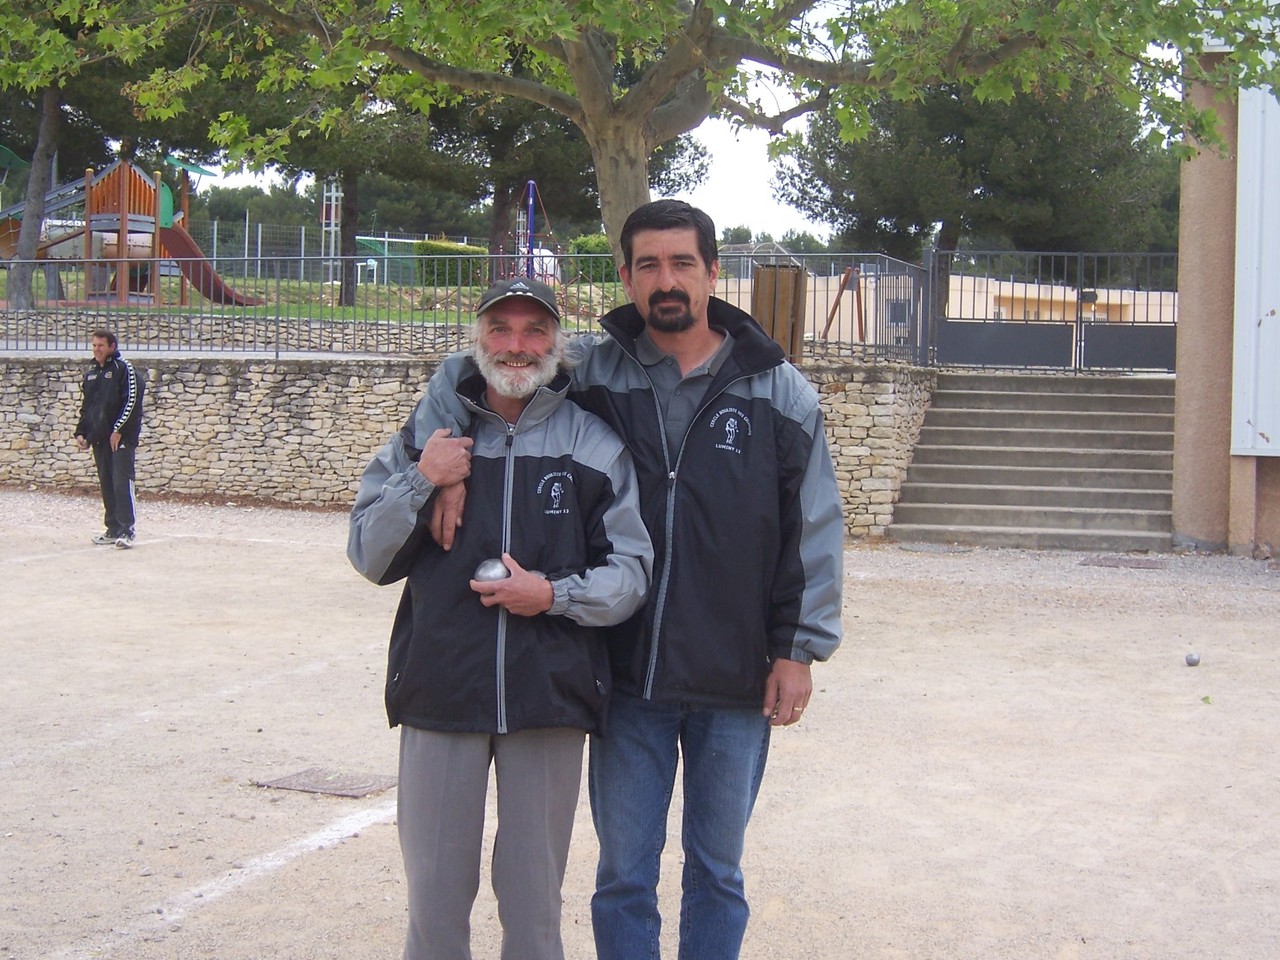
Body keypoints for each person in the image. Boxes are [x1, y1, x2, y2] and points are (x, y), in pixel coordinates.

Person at [419, 200, 845, 959]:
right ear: (626, 276)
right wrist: (443, 464)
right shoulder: (594, 371)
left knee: (718, 871)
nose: (666, 280)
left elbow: (813, 530)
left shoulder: (779, 392)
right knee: (623, 876)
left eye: (682, 263)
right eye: (648, 265)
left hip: (736, 674)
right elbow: (478, 371)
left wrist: (798, 649)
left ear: (713, 271)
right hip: (626, 674)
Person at [347, 277, 652, 960]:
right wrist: (425, 478)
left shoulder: (593, 446)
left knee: (535, 908)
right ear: (477, 338)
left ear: (557, 342)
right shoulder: (430, 438)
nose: (517, 345)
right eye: (501, 328)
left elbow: (631, 576)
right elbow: (368, 553)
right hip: (441, 691)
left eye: (535, 330)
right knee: (434, 905)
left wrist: (552, 595)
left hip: (549, 698)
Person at [74, 329, 143, 549]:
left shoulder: (124, 369)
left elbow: (132, 401)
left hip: (120, 439)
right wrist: (82, 432)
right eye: (94, 345)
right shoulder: (92, 374)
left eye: (101, 346)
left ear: (112, 347)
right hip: (100, 439)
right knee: (107, 483)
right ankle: (112, 529)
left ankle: (127, 530)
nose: (97, 350)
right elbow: (88, 407)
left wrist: (119, 429)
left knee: (122, 482)